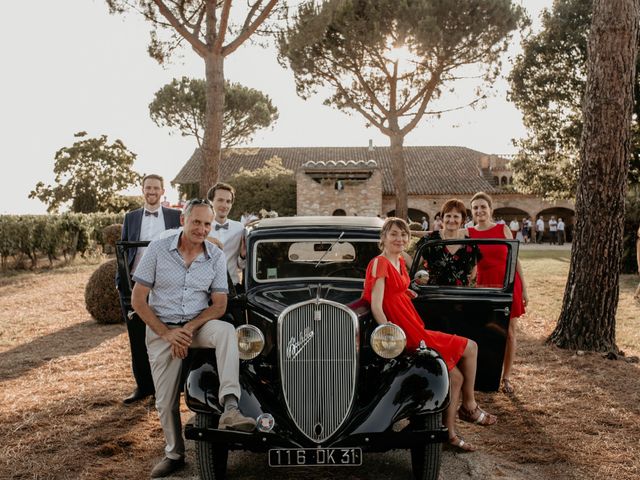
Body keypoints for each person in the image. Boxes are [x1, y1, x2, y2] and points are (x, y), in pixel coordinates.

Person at [131, 199, 256, 478]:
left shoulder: (214, 255)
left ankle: (231, 407)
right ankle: (174, 453)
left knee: (225, 331)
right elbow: (138, 300)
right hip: (162, 329)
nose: (202, 229)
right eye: (196, 222)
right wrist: (168, 333)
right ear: (183, 221)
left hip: (197, 326)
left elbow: (219, 305)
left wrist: (187, 329)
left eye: (207, 224)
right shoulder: (158, 249)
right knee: (165, 400)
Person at [364, 217, 497, 452]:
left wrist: (407, 293)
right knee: (471, 347)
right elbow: (376, 304)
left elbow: (395, 290)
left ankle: (450, 434)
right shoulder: (380, 263)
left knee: (455, 377)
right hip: (403, 333)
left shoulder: (398, 262)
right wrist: (390, 337)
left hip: (413, 324)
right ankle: (469, 405)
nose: (400, 239)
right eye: (394, 234)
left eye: (404, 235)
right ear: (383, 237)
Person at [117, 174, 182, 405]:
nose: (152, 191)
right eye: (148, 187)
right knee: (137, 337)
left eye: (156, 188)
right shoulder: (131, 217)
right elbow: (124, 251)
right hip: (137, 284)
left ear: (163, 191)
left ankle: (165, 388)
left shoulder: (175, 216)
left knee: (164, 334)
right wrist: (122, 282)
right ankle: (143, 386)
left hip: (166, 285)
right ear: (142, 190)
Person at [467, 192, 529, 395]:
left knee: (509, 334)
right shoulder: (469, 232)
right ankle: (485, 375)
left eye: (483, 207)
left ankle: (507, 377)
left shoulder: (502, 229)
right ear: (472, 211)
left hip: (509, 284)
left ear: (490, 209)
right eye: (475, 208)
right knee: (486, 331)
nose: (479, 211)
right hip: (485, 285)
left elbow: (515, 260)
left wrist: (524, 289)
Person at [417, 199, 480, 287]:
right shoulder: (430, 239)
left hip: (461, 296)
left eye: (456, 216)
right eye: (448, 216)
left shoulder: (470, 243)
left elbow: (474, 269)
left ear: (463, 220)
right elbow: (414, 263)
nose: (451, 220)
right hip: (434, 295)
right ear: (442, 218)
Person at [207, 183, 247, 292]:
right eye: (220, 200)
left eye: (228, 201)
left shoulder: (239, 228)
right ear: (211, 201)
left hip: (233, 288)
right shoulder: (201, 228)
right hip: (205, 289)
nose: (225, 205)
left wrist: (243, 256)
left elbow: (241, 266)